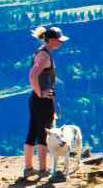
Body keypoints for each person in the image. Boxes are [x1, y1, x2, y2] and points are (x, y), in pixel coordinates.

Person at [22, 25, 69, 178]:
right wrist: (41, 93)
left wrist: (38, 94)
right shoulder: (44, 56)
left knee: (33, 131)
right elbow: (32, 75)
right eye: (58, 40)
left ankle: (28, 168)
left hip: (36, 99)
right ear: (50, 40)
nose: (60, 43)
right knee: (44, 134)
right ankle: (43, 170)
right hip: (42, 100)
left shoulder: (42, 51)